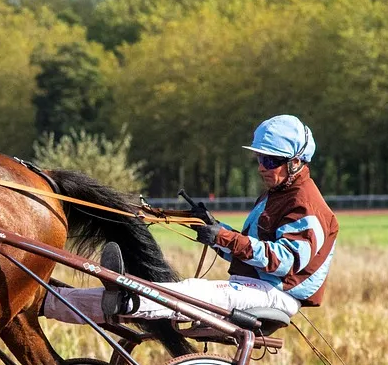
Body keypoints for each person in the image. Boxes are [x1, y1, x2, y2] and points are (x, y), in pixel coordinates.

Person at [43, 114, 338, 325]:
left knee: (186, 291)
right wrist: (209, 228)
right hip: (254, 287)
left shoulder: (305, 205)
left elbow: (284, 261)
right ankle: (50, 302)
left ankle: (128, 299)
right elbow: (249, 253)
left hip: (274, 295)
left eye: (270, 161)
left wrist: (224, 237)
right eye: (260, 159)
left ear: (297, 162)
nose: (262, 167)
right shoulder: (277, 194)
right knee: (162, 292)